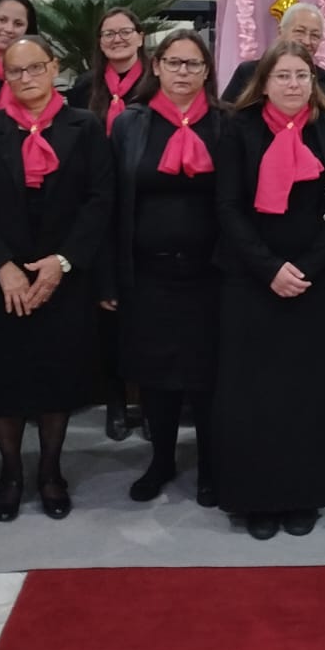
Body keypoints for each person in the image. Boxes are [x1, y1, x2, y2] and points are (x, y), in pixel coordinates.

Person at [0, 35, 112, 522]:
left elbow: (100, 199)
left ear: (54, 66)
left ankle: (50, 471)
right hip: (1, 280)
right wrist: (1, 266)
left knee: (56, 379)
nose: (26, 78)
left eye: (35, 67)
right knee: (3, 381)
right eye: (15, 71)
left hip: (62, 276)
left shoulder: (84, 126)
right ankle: (9, 473)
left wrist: (63, 261)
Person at [214, 40, 325, 540]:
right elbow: (228, 207)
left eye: (302, 75)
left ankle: (305, 493)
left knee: (310, 394)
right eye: (283, 76)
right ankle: (257, 498)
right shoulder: (239, 129)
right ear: (264, 83)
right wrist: (270, 269)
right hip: (252, 281)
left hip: (318, 283)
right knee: (254, 394)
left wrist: (308, 268)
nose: (293, 85)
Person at [109, 29, 225, 506]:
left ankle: (211, 465)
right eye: (173, 62)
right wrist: (110, 275)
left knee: (207, 375)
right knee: (155, 374)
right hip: (148, 274)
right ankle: (160, 460)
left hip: (210, 274)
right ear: (155, 66)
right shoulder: (130, 124)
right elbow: (112, 203)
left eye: (193, 64)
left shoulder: (224, 123)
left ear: (206, 71)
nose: (183, 72)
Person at [67, 5, 148, 441]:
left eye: (125, 31)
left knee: (145, 309)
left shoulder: (155, 81)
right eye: (108, 33)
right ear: (99, 42)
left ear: (140, 36)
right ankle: (115, 400)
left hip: (143, 203)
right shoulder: (85, 86)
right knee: (107, 308)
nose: (117, 39)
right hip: (99, 205)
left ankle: (148, 402)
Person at [220, 2, 325, 106]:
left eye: (315, 35)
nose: (307, 41)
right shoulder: (249, 72)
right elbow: (227, 116)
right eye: (299, 31)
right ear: (280, 32)